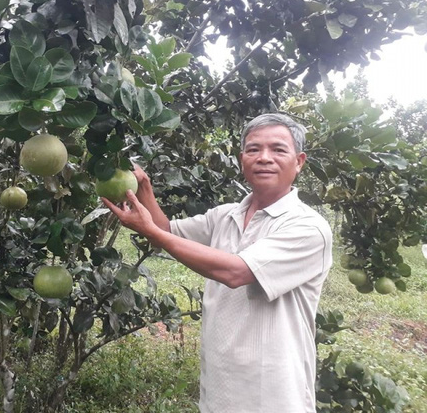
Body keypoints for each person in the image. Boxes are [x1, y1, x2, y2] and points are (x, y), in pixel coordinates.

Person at [102, 113, 333, 413]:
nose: (264, 158)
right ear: (241, 159)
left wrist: (149, 231)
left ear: (299, 161)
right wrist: (143, 186)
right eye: (253, 149)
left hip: (273, 393)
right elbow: (168, 233)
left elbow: (236, 271)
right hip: (220, 387)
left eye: (278, 149)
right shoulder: (225, 216)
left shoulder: (308, 228)